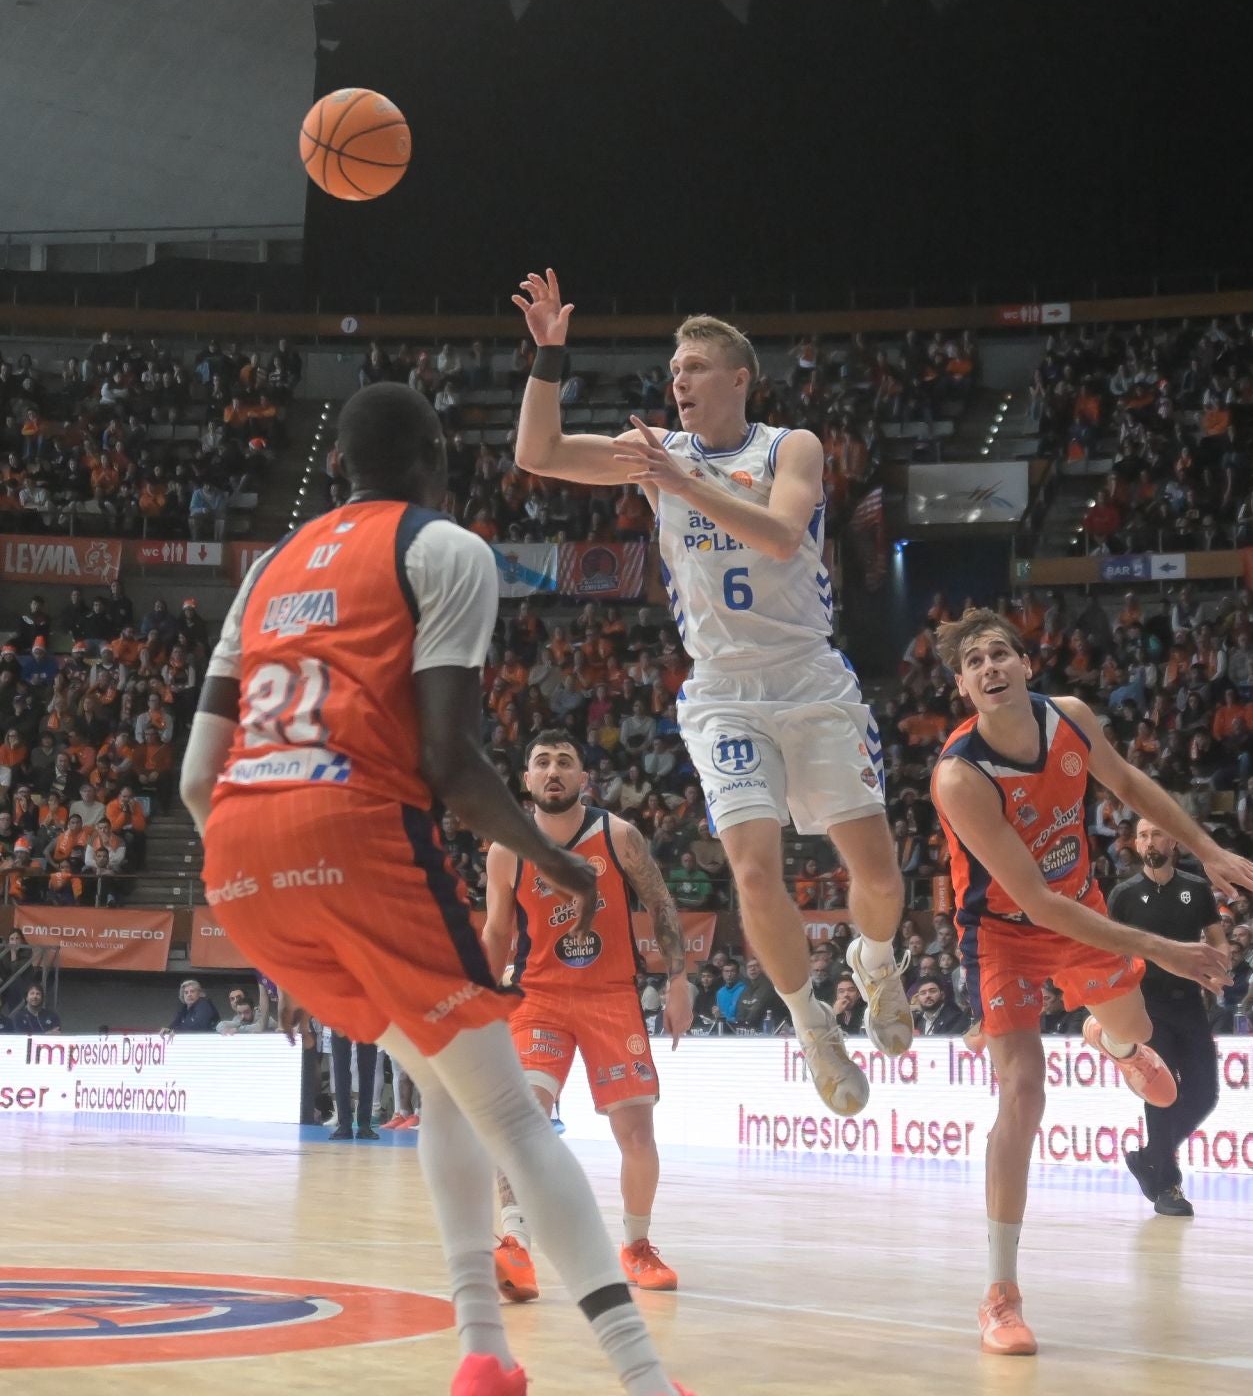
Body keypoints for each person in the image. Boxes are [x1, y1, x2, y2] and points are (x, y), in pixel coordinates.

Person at [178, 381, 696, 1396]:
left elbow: (196, 779)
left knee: (449, 1083)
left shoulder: (264, 570)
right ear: (435, 459)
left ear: (333, 467)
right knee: (511, 1113)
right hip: (355, 840)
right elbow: (451, 762)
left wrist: (269, 859)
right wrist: (556, 865)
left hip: (237, 858)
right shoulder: (443, 548)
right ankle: (643, 1379)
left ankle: (484, 1356)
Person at [512, 271, 909, 1116]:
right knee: (753, 875)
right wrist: (549, 356)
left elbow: (774, 534)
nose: (677, 381)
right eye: (672, 371)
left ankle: (874, 962)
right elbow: (536, 454)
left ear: (738, 379)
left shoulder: (787, 447)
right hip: (724, 691)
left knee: (878, 876)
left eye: (693, 367)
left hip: (809, 677)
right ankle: (810, 1022)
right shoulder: (660, 452)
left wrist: (677, 481)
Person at [930, 608, 1253, 1357]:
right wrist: (1162, 948)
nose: (989, 668)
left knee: (1140, 1034)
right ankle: (999, 1293)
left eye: (999, 655)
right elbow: (1035, 903)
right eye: (973, 663)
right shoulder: (959, 776)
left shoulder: (1073, 719)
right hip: (1002, 933)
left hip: (1078, 905)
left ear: (1025, 663)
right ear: (962, 687)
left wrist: (1205, 848)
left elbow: (1131, 784)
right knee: (1021, 1092)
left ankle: (1111, 1043)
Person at [482, 732, 692, 1302]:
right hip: (538, 999)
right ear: (526, 779)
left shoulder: (617, 836)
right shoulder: (505, 849)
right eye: (542, 762)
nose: (553, 771)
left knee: (636, 1131)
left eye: (565, 762)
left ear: (583, 780)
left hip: (609, 996)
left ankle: (637, 1246)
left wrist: (677, 979)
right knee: (522, 1118)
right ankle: (514, 1243)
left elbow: (661, 904)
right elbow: (498, 932)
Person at [1108, 818, 1227, 1218]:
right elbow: (1109, 949)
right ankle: (1168, 1187)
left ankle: (1150, 1157)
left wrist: (1219, 965)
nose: (1149, 840)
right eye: (1142, 835)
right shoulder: (1123, 894)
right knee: (1160, 1094)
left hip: (1190, 1003)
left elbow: (1217, 937)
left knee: (1205, 1093)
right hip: (1146, 1007)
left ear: (1173, 840)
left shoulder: (1196, 888)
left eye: (1157, 832)